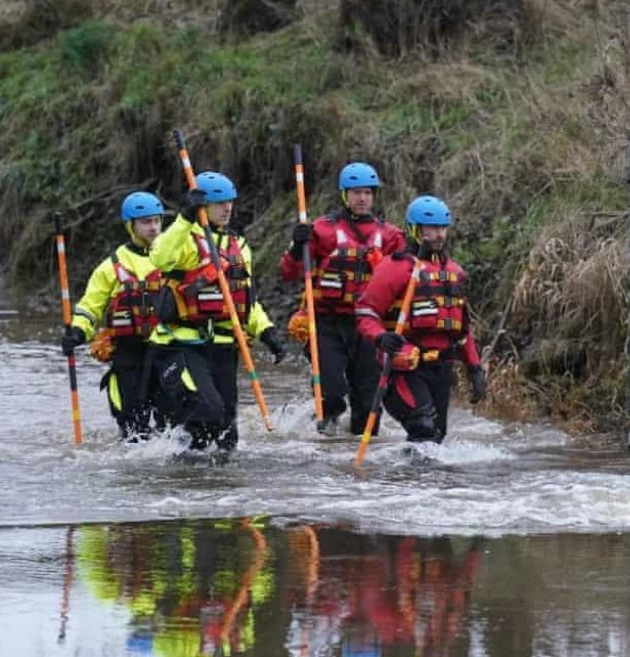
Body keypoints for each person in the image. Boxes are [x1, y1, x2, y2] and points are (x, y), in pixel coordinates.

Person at [149, 171, 286, 451]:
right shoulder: (186, 236)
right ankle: (174, 446)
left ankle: (205, 476)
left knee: (226, 432)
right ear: (203, 206)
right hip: (185, 342)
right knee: (208, 407)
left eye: (230, 202)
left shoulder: (240, 246)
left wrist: (266, 331)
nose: (227, 208)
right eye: (219, 203)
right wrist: (185, 218)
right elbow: (160, 257)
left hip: (224, 344)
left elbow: (245, 299)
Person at [280, 162, 407, 436]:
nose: (362, 199)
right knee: (332, 392)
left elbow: (406, 277)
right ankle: (324, 433)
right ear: (344, 195)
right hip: (327, 322)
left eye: (368, 193)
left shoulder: (390, 236)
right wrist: (296, 246)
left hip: (369, 325)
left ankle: (359, 453)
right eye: (356, 193)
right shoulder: (321, 230)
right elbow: (290, 273)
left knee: (367, 402)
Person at [354, 195, 485, 443]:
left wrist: (474, 367)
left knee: (436, 436)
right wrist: (381, 337)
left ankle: (416, 481)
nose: (439, 235)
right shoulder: (395, 267)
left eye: (443, 228)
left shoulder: (454, 272)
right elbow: (366, 312)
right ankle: (402, 479)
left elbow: (462, 328)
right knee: (422, 426)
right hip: (404, 367)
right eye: (432, 228)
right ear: (415, 229)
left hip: (441, 367)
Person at [61, 191, 166, 440]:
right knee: (132, 430)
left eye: (157, 221)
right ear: (131, 226)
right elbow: (90, 307)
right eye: (145, 222)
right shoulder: (110, 267)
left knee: (171, 428)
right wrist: (77, 331)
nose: (153, 227)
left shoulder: (173, 259)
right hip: (128, 354)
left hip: (166, 351)